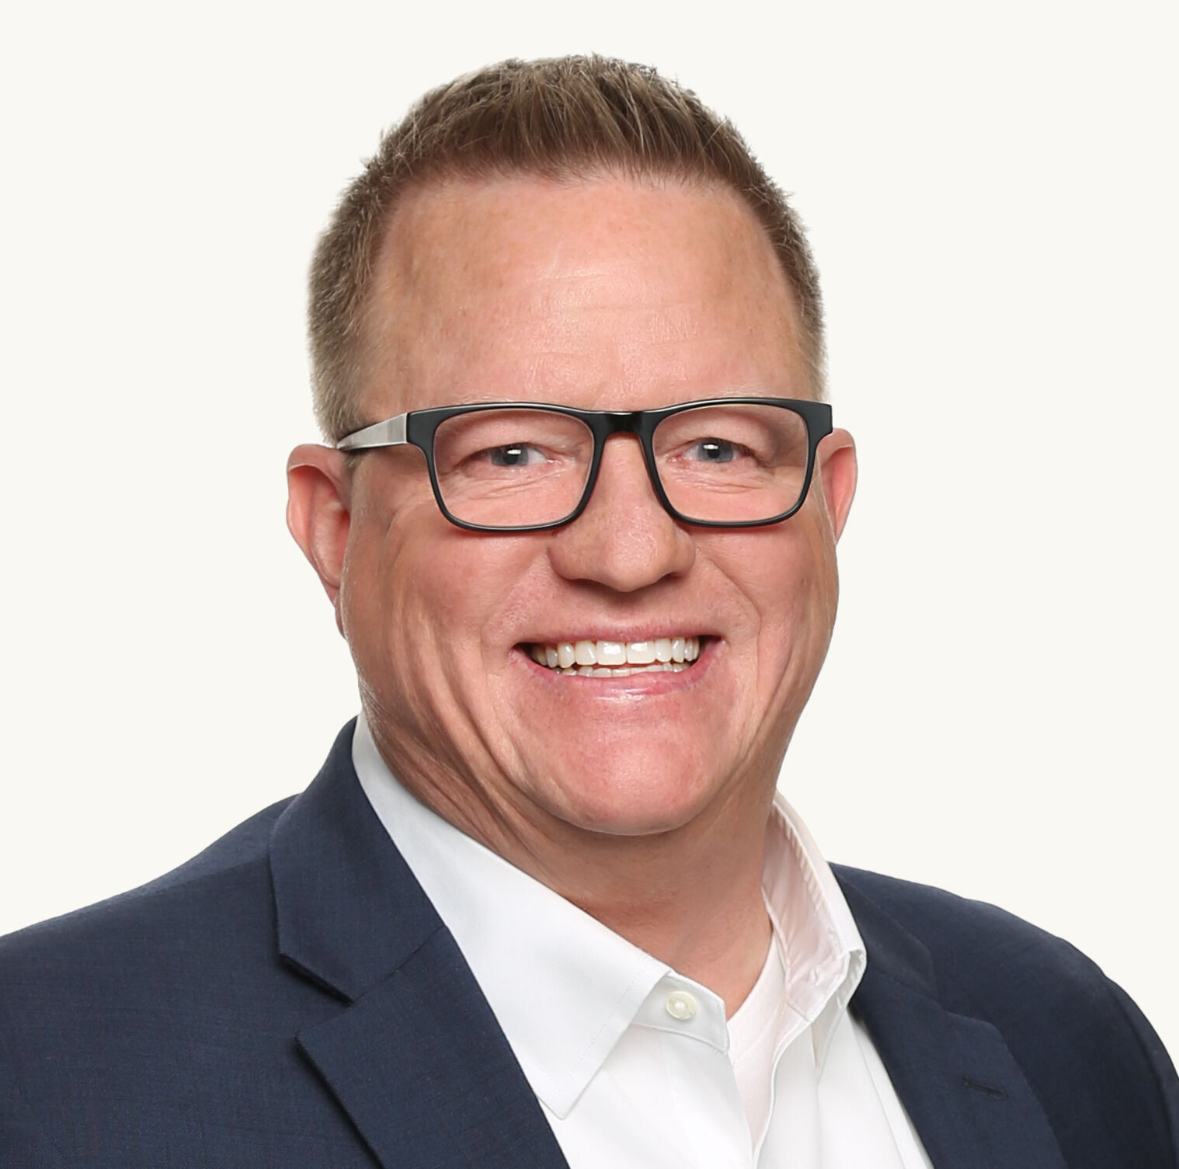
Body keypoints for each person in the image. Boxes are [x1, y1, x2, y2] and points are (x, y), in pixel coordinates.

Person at [0, 55, 1175, 1169]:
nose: (630, 552)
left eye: (718, 447)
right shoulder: (47, 1079)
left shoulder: (1068, 1044)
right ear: (335, 526)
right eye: (510, 452)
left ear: (828, 504)